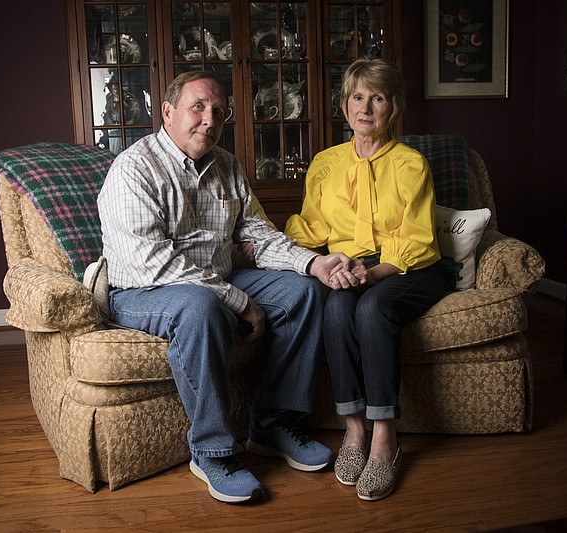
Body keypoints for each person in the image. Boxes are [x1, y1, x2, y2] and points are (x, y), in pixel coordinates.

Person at [97, 70, 363, 504]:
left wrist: (313, 263)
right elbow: (154, 262)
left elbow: (257, 235)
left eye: (219, 111)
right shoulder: (134, 168)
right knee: (200, 307)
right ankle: (212, 452)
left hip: (217, 277)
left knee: (304, 292)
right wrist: (240, 302)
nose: (209, 119)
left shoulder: (226, 164)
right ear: (167, 111)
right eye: (198, 107)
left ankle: (272, 423)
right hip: (144, 290)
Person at [284, 59, 445, 501]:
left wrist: (369, 274)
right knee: (335, 309)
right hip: (349, 263)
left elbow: (417, 239)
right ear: (345, 104)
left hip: (409, 267)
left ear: (393, 107)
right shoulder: (325, 163)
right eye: (358, 97)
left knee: (373, 309)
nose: (366, 107)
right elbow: (311, 227)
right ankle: (353, 429)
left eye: (377, 97)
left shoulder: (411, 164)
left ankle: (384, 439)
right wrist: (291, 252)